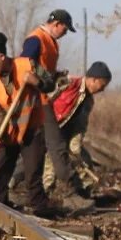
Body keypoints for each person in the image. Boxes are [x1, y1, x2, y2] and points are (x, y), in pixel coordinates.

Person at [0, 32, 53, 214]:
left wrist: (35, 81)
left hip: (31, 129)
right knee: (1, 173)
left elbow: (51, 84)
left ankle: (42, 211)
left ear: (1, 56)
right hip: (8, 132)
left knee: (33, 175)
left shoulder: (27, 65)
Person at [23, 10, 83, 199]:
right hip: (36, 98)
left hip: (41, 98)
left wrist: (56, 75)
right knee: (56, 145)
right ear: (56, 24)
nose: (64, 34)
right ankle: (72, 192)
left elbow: (42, 67)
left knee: (37, 146)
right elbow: (25, 64)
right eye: (64, 30)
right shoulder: (36, 39)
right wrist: (45, 79)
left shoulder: (51, 42)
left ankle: (16, 184)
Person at [50, 61, 113, 192]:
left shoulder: (89, 101)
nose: (103, 90)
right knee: (48, 163)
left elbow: (80, 126)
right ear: (94, 80)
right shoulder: (69, 84)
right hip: (50, 128)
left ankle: (86, 188)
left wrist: (75, 146)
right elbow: (46, 98)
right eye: (102, 85)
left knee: (81, 156)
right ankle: (44, 194)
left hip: (66, 132)